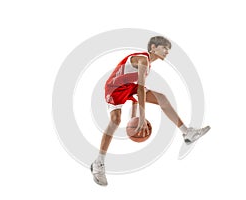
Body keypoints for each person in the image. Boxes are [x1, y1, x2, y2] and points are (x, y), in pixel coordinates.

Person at [90, 36, 210, 186]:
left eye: (168, 49)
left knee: (162, 98)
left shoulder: (148, 65)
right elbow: (140, 88)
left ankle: (187, 132)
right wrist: (141, 118)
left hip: (128, 88)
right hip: (114, 88)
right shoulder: (143, 60)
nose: (167, 52)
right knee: (115, 120)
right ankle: (98, 163)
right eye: (165, 48)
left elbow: (134, 88)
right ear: (153, 47)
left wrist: (133, 115)